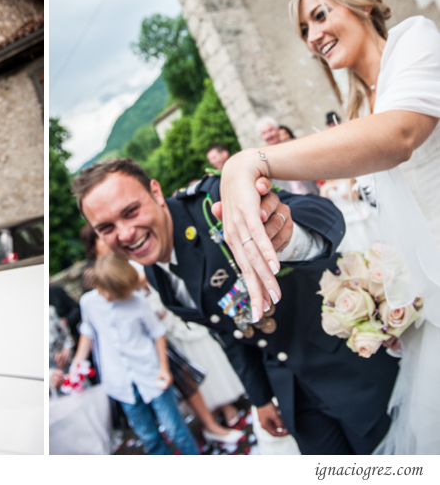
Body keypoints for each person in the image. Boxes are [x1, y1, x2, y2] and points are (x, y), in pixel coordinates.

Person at [218, 0, 440, 454]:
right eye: (303, 30)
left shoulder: (416, 42)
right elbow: (373, 223)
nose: (313, 36)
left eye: (320, 16)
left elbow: (400, 137)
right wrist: (289, 238)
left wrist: (251, 161)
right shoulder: (354, 112)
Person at [73, 158, 399, 454]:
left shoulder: (214, 201)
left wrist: (288, 237)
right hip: (292, 391)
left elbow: (320, 215)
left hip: (346, 366)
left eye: (131, 211)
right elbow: (228, 332)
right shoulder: (154, 274)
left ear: (156, 192)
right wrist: (259, 398)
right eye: (106, 228)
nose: (126, 234)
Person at [80, 222, 244, 444]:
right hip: (135, 345)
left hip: (156, 324)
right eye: (104, 235)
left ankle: (216, 413)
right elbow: (93, 323)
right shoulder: (93, 277)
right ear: (94, 245)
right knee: (182, 381)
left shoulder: (129, 258)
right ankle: (209, 422)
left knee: (191, 371)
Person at [70, 253, 200, 455]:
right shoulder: (88, 303)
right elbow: (88, 331)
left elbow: (158, 333)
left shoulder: (137, 302)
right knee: (147, 435)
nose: (107, 297)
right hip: (118, 380)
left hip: (150, 373)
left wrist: (164, 369)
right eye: (104, 291)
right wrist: (77, 361)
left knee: (175, 429)